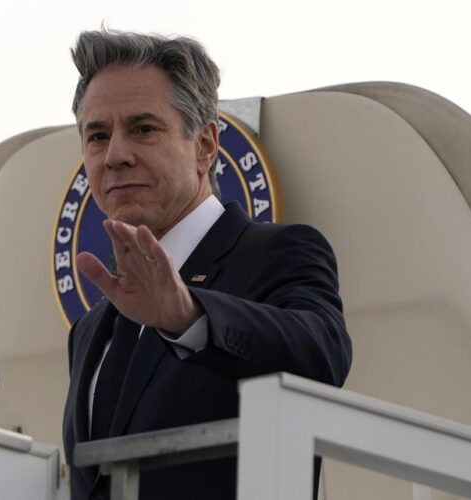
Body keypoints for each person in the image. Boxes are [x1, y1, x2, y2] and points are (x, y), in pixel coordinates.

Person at [62, 29, 352, 500]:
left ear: (205, 145)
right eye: (98, 136)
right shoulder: (90, 330)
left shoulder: (276, 253)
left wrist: (189, 318)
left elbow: (323, 356)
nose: (115, 155)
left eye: (143, 129)